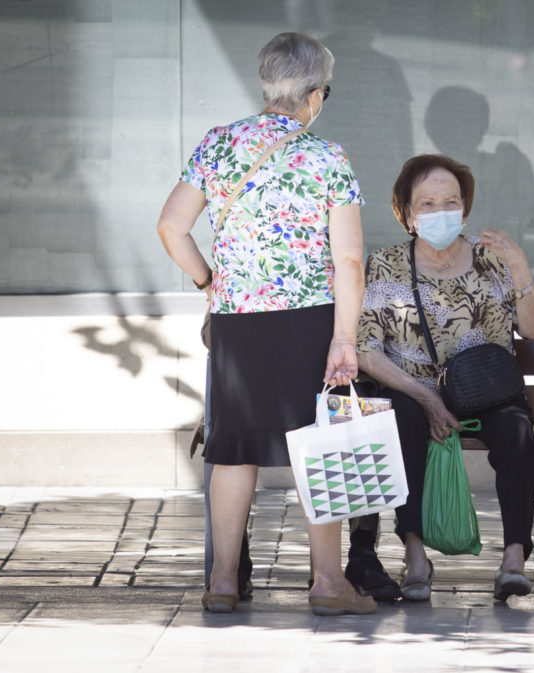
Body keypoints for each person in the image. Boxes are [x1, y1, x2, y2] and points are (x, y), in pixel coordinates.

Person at [157, 32, 375, 616]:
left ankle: (223, 583)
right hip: (309, 320)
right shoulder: (327, 157)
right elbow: (349, 260)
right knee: (318, 448)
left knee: (231, 452)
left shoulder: (219, 144)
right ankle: (329, 585)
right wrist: (345, 339)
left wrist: (209, 282)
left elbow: (171, 227)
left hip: (238, 323)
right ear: (312, 94)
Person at [356, 154, 534, 602]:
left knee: (518, 430)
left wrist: (520, 267)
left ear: (465, 207)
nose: (442, 211)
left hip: (489, 392)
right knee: (402, 419)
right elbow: (366, 350)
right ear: (405, 213)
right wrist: (426, 398)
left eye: (451, 201)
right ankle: (415, 552)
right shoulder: (386, 265)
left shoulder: (493, 261)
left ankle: (515, 557)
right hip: (413, 393)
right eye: (427, 203)